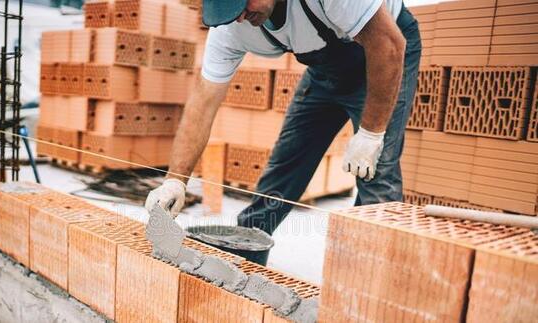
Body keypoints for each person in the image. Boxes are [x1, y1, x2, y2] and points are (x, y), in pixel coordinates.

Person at [146, 0, 421, 238]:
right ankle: (245, 257)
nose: (240, 15)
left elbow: (389, 46)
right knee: (283, 169)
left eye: (243, 4)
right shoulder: (230, 28)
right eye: (229, 10)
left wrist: (371, 134)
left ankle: (371, 285)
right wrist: (175, 180)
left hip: (385, 51)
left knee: (376, 176)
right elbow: (203, 101)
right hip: (325, 71)